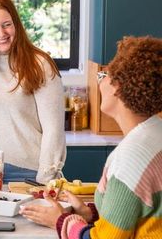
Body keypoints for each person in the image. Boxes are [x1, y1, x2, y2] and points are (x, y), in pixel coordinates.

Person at [20, 36, 162, 238]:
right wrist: (90, 213)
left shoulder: (132, 157)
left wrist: (60, 221)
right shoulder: (155, 133)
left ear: (118, 87)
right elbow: (135, 213)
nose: (101, 81)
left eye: (104, 75)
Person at [0, 0, 66, 183]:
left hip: (28, 172)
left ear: (16, 23)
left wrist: (45, 178)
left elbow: (54, 130)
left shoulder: (39, 64)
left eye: (6, 24)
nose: (1, 33)